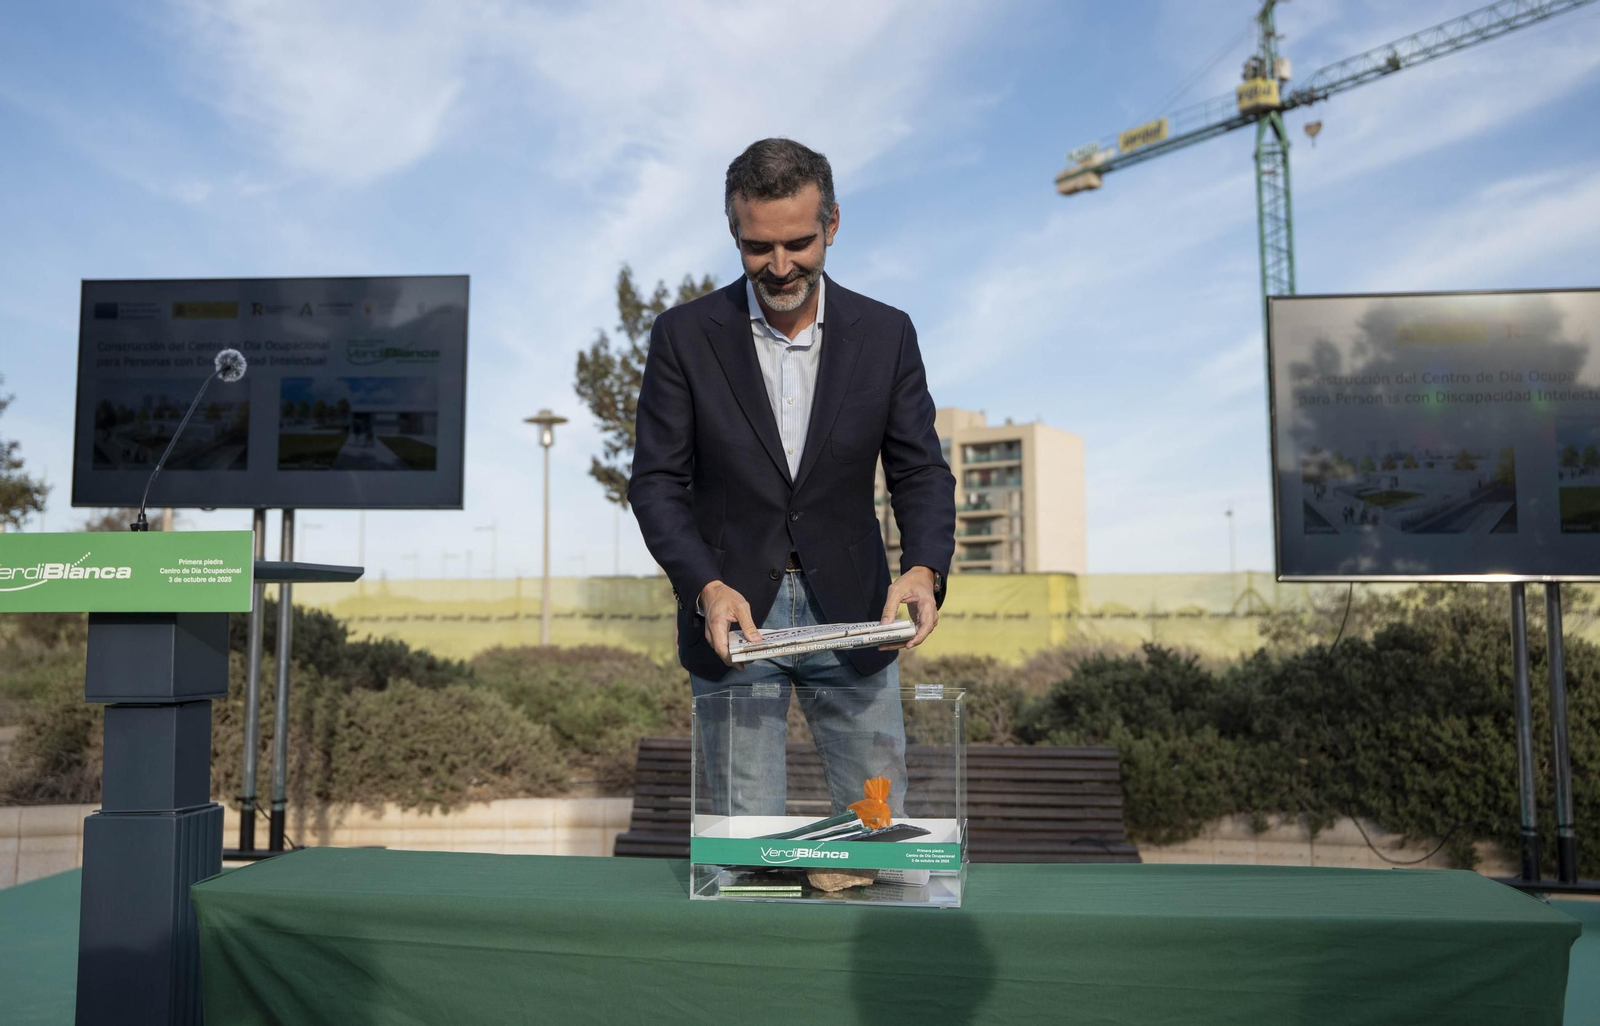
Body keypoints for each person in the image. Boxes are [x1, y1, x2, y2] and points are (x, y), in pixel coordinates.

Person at [629, 138, 956, 818]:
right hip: (734, 618)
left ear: (832, 224)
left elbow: (920, 469)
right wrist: (706, 587)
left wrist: (924, 567)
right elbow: (655, 482)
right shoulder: (683, 336)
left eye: (798, 243)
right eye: (758, 248)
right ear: (733, 233)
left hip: (858, 615)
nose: (779, 267)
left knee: (882, 832)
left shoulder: (888, 334)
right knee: (745, 848)